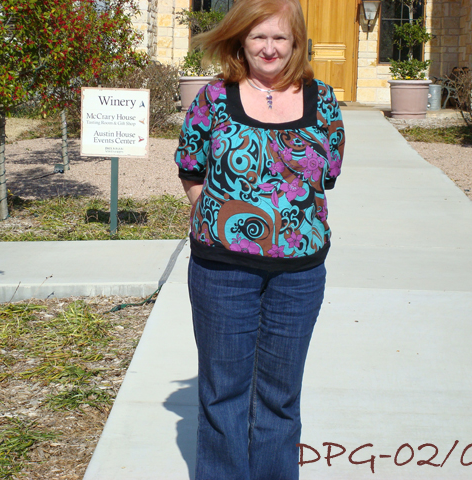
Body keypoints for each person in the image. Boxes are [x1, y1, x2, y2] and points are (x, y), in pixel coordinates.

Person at [174, 0, 345, 478]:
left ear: (296, 43)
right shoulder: (213, 97)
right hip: (221, 270)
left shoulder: (323, 99)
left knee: (280, 397)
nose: (270, 48)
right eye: (258, 37)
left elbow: (328, 175)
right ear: (240, 40)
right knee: (222, 394)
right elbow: (191, 168)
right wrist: (216, 215)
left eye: (280, 38)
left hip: (299, 275)